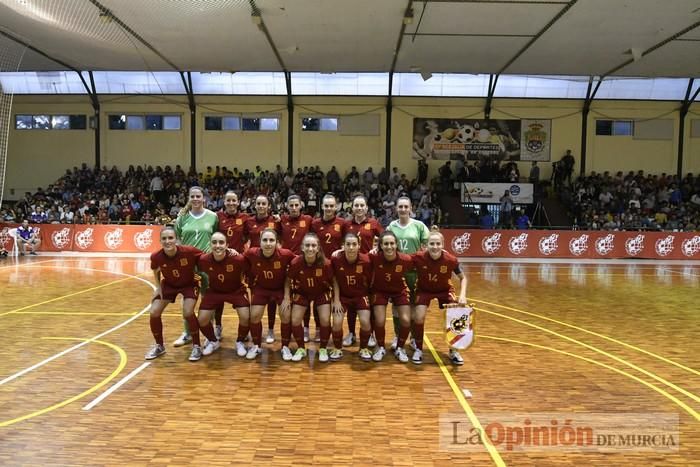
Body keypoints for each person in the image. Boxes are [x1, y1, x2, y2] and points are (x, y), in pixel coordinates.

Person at [145, 226, 204, 361]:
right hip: (170, 285)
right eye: (164, 239)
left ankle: (197, 346)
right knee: (154, 311)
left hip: (189, 284)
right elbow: (155, 270)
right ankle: (159, 346)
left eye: (170, 238)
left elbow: (205, 258)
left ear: (177, 239)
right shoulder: (156, 256)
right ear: (160, 241)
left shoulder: (189, 251)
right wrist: (157, 287)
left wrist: (201, 276)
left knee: (188, 312)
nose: (167, 241)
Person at [412, 229, 468, 365]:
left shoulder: (450, 260)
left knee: (456, 314)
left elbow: (463, 278)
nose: (435, 247)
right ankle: (418, 349)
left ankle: (454, 350)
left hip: (444, 290)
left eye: (438, 244)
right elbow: (400, 261)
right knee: (418, 316)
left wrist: (462, 296)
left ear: (442, 245)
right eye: (432, 244)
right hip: (424, 290)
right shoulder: (418, 257)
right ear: (427, 245)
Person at [172, 186, 218, 347]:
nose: (196, 199)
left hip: (207, 264)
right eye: (193, 196)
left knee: (208, 299)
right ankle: (187, 333)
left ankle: (208, 333)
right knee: (187, 300)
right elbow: (176, 240)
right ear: (189, 198)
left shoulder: (213, 217)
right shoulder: (182, 218)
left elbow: (217, 238)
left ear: (203, 198)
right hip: (187, 266)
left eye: (198, 196)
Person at [196, 232, 251, 359]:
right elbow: (193, 270)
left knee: (245, 316)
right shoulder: (204, 260)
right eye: (214, 242)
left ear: (227, 245)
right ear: (210, 244)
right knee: (202, 319)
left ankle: (240, 341)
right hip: (214, 291)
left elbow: (250, 271)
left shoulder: (238, 259)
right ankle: (213, 341)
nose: (217, 245)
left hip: (236, 291)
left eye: (221, 242)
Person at [244, 228, 295, 359]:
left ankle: (285, 347)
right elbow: (238, 260)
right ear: (259, 242)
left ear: (277, 242)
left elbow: (301, 262)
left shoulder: (286, 254)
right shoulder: (251, 253)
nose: (268, 243)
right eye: (265, 240)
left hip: (280, 289)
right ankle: (256, 346)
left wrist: (287, 296)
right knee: (254, 316)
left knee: (286, 314)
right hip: (261, 288)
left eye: (271, 240)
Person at [387, 196, 430, 350]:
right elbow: (386, 246)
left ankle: (413, 337)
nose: (403, 209)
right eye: (400, 207)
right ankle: (397, 335)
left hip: (414, 273)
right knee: (397, 307)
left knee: (413, 307)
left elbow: (427, 246)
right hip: (397, 273)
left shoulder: (419, 226)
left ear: (411, 208)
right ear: (396, 209)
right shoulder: (392, 226)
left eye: (406, 207)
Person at [286, 233, 336, 362]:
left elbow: (334, 281)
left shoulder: (325, 263)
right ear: (302, 247)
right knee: (295, 320)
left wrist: (336, 300)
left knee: (325, 319)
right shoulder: (296, 262)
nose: (310, 248)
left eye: (313, 245)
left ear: (318, 248)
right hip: (302, 293)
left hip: (321, 293)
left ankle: (323, 349)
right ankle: (301, 348)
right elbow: (288, 280)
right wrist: (287, 297)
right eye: (307, 245)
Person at [341, 194, 383, 346]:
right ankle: (351, 333)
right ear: (352, 208)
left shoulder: (373, 223)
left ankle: (370, 333)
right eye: (356, 205)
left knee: (368, 302)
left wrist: (377, 248)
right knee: (352, 302)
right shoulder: (346, 224)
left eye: (361, 205)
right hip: (350, 267)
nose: (359, 208)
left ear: (366, 208)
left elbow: (384, 239)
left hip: (368, 268)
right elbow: (341, 242)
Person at [369, 231, 414, 363]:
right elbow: (357, 257)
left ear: (396, 244)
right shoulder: (374, 258)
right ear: (381, 246)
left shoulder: (405, 259)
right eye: (386, 244)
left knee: (406, 320)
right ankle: (381, 347)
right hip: (380, 291)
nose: (389, 246)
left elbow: (422, 259)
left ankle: (400, 348)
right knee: (380, 321)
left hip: (399, 291)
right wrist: (341, 251)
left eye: (392, 243)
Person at [279, 194, 316, 342]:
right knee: (288, 296)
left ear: (301, 205)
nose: (294, 208)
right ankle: (275, 330)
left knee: (304, 294)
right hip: (287, 263)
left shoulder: (308, 220)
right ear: (287, 206)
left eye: (296, 205)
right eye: (291, 205)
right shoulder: (281, 220)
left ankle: (305, 328)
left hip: (304, 263)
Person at [245, 195, 281, 344]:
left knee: (272, 300)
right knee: (256, 298)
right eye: (258, 203)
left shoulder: (276, 221)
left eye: (263, 203)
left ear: (268, 206)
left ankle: (271, 330)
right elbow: (242, 239)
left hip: (272, 262)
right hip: (256, 264)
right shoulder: (249, 222)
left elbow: (283, 238)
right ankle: (252, 331)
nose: (260, 206)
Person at [331, 232, 372, 361]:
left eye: (354, 244)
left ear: (359, 246)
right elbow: (335, 280)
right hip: (343, 296)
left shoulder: (365, 260)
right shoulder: (336, 259)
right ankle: (337, 349)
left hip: (360, 296)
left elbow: (371, 280)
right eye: (348, 244)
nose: (351, 247)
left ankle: (363, 348)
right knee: (337, 322)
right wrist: (336, 300)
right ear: (343, 246)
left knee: (365, 321)